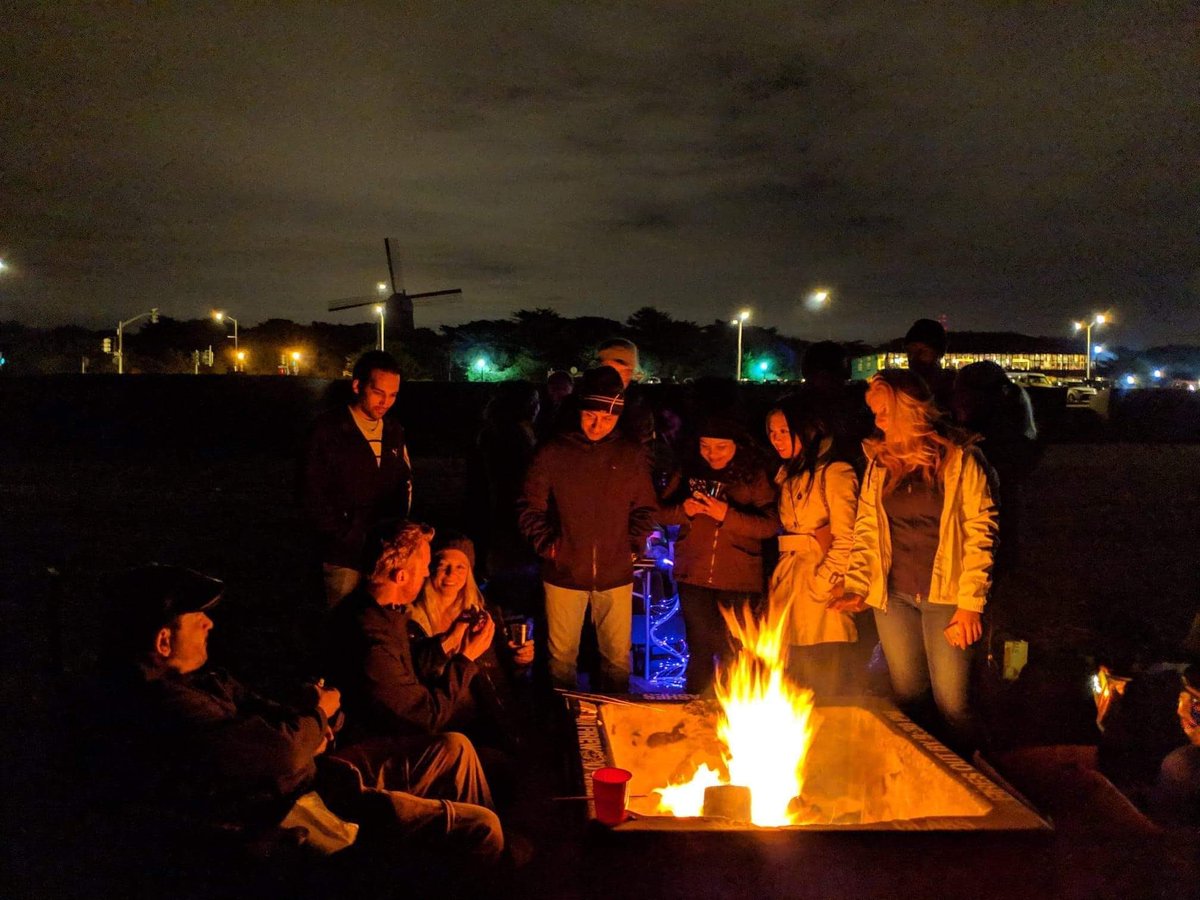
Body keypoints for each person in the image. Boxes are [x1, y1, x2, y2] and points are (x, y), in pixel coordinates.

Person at [89, 563, 503, 870]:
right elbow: (288, 750)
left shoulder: (205, 677)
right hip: (303, 809)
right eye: (199, 621)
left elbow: (282, 715)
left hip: (322, 769)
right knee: (482, 827)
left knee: (455, 748)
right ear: (163, 641)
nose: (210, 624)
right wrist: (317, 719)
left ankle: (452, 864)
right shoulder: (167, 707)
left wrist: (314, 718)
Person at [837, 370, 999, 755]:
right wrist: (859, 585)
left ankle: (980, 771)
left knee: (952, 701)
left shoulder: (959, 460)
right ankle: (928, 766)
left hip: (947, 596)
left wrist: (970, 605)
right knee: (909, 694)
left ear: (909, 410)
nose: (877, 421)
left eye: (883, 412)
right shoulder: (880, 463)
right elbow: (867, 529)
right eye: (873, 413)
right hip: (894, 597)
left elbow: (981, 531)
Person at [517, 366, 658, 692]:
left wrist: (632, 546)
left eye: (608, 419)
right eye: (592, 416)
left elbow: (646, 507)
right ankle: (561, 728)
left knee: (617, 660)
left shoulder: (629, 454)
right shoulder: (553, 452)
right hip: (563, 574)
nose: (599, 425)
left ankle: (613, 722)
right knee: (561, 659)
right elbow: (529, 506)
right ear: (580, 410)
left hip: (616, 574)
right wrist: (550, 547)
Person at [329, 522, 496, 742]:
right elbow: (425, 717)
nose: (428, 573)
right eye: (426, 565)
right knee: (458, 746)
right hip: (377, 743)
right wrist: (466, 659)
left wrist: (450, 640)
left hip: (398, 733)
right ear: (401, 576)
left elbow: (409, 668)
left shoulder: (384, 612)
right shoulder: (371, 638)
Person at [657, 416, 779, 695]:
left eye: (720, 447)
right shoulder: (688, 471)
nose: (712, 454)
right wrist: (683, 511)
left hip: (738, 579)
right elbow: (658, 512)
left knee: (733, 650)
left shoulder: (753, 476)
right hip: (694, 576)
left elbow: (771, 524)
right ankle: (697, 707)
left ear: (736, 445)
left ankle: (734, 711)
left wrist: (727, 515)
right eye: (705, 446)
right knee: (699, 648)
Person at [765, 397, 861, 697]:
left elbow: (848, 535)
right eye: (772, 432)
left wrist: (822, 582)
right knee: (792, 677)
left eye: (784, 431)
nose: (777, 439)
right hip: (789, 579)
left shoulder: (835, 472)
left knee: (824, 673)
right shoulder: (787, 476)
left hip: (820, 584)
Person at [301, 351, 412, 608]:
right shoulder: (327, 431)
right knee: (342, 621)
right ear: (357, 385)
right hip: (343, 557)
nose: (385, 401)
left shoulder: (393, 430)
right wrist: (347, 533)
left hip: (384, 551)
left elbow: (404, 482)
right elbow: (311, 494)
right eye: (378, 392)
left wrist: (399, 531)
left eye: (393, 395)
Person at [408, 534, 535, 747]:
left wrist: (520, 661)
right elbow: (414, 674)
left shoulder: (483, 613)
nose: (451, 574)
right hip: (438, 719)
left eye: (460, 567)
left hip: (484, 717)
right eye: (444, 565)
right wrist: (451, 640)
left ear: (469, 573)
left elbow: (506, 675)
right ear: (430, 568)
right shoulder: (412, 617)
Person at [952, 361, 1041, 575]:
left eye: (962, 394)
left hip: (991, 521)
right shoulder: (1009, 428)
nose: (956, 402)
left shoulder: (998, 439)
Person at [597, 338, 655, 444]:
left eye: (626, 370)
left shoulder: (640, 406)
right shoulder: (577, 400)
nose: (615, 376)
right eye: (609, 368)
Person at [903, 319, 955, 412]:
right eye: (910, 352)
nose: (914, 358)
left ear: (940, 353)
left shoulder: (955, 390)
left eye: (923, 351)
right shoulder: (903, 389)